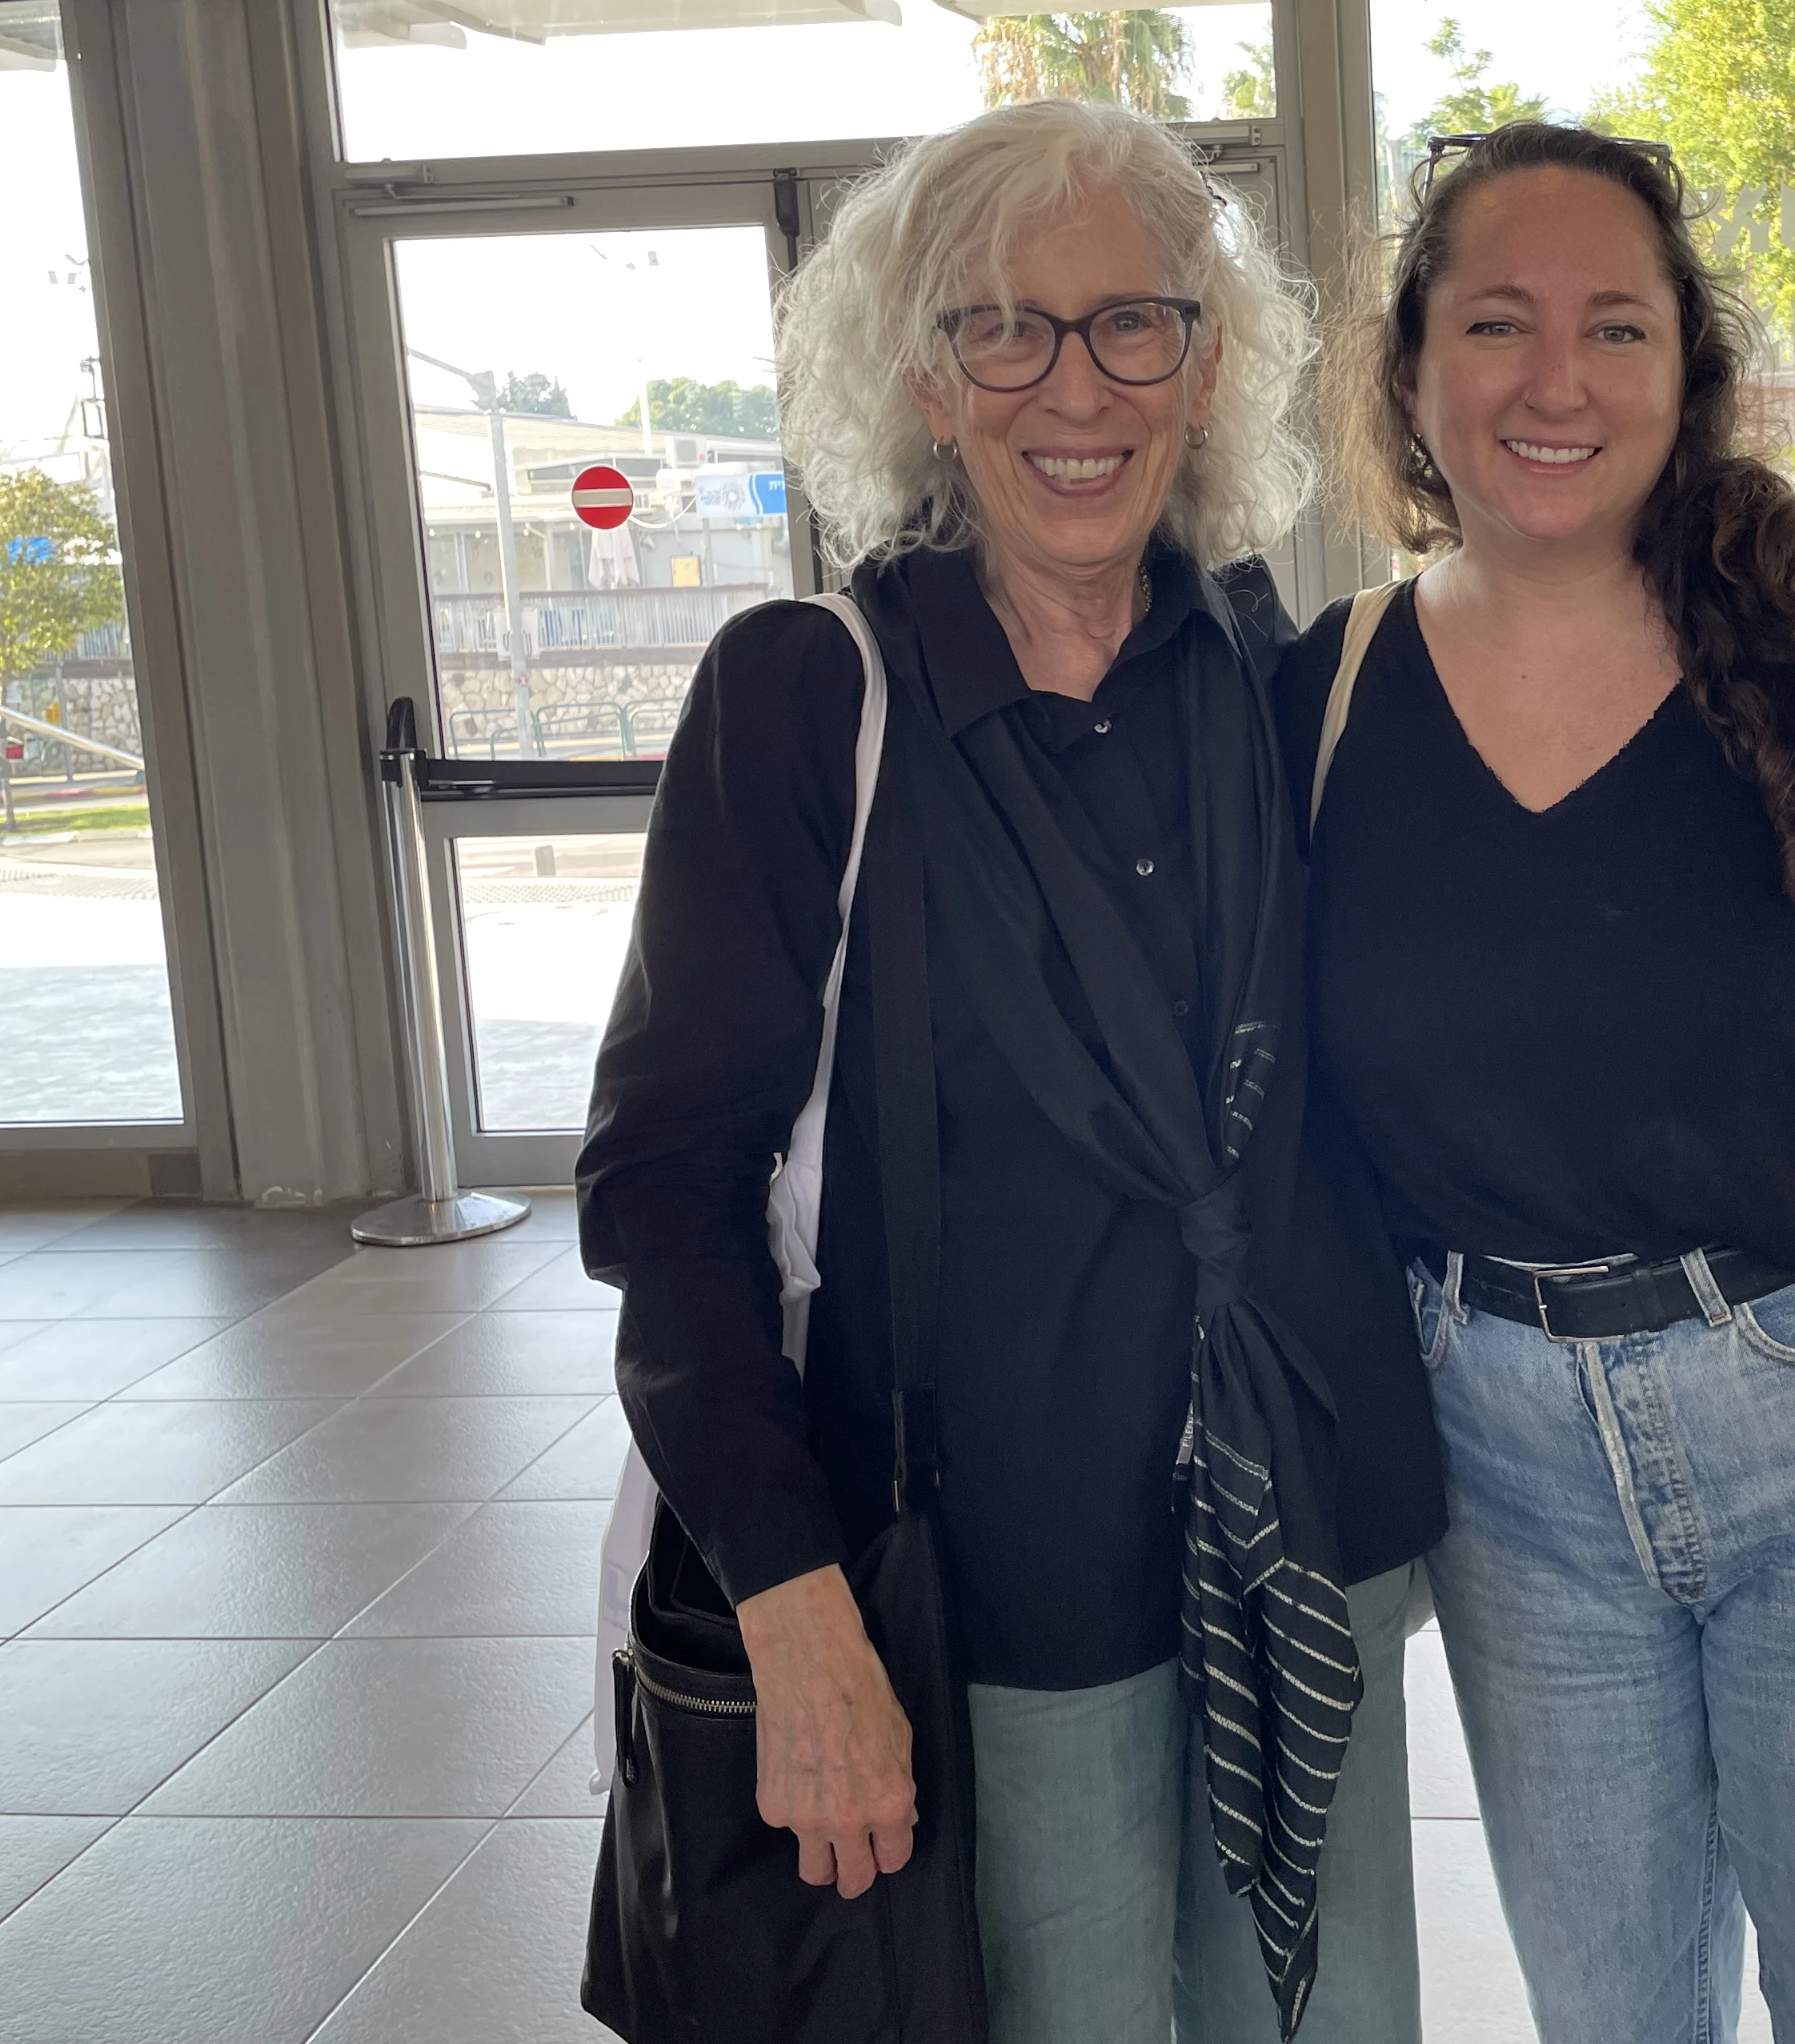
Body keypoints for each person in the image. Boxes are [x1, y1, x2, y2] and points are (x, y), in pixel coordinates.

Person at [579, 98, 1443, 2044]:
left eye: (1133, 322)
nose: (1079, 384)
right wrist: (795, 1610)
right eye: (1005, 328)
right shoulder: (810, 699)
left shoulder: (1255, 662)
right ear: (925, 376)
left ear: (1207, 364)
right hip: (993, 1593)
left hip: (1303, 1533)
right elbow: (668, 1192)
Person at [1276, 121, 1795, 2042]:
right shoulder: (1313, 696)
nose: (1554, 383)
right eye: (1497, 324)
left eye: (1616, 328)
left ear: (1689, 371)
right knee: (1615, 2010)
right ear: (1411, 371)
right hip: (1499, 1452)